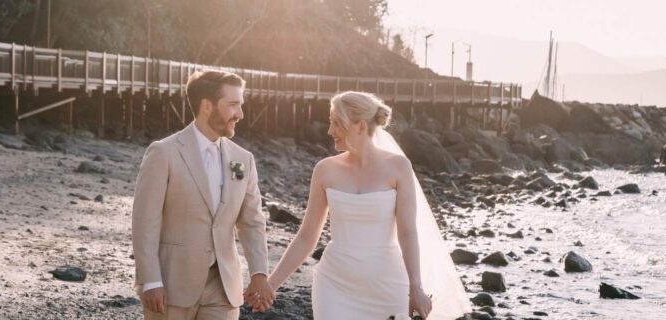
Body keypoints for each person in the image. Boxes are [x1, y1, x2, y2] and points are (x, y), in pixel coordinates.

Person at [261, 91, 471, 319]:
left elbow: (408, 232)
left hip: (387, 284)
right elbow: (306, 237)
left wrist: (416, 286)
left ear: (360, 126)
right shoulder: (324, 170)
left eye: (336, 123)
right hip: (334, 285)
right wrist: (271, 285)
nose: (330, 131)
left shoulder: (399, 167)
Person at [131, 70, 274, 320]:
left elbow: (252, 223)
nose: (240, 114)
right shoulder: (163, 153)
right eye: (233, 105)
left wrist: (259, 274)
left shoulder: (244, 159)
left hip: (223, 288)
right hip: (172, 284)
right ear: (207, 106)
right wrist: (150, 280)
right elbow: (145, 222)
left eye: (241, 105)